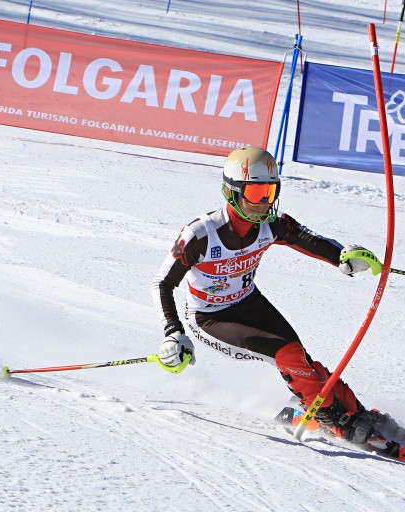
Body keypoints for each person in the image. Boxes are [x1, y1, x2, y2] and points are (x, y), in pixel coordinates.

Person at [151, 146, 385, 444]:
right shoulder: (201, 234)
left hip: (248, 302)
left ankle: (351, 411)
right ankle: (334, 421)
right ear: (231, 192)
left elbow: (307, 239)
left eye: (271, 193)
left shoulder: (270, 225)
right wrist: (173, 332)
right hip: (209, 318)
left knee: (298, 356)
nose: (265, 203)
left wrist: (342, 256)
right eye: (257, 192)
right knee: (287, 354)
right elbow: (162, 282)